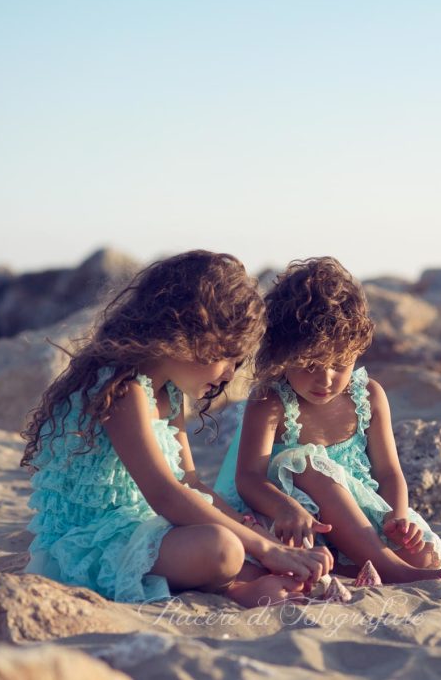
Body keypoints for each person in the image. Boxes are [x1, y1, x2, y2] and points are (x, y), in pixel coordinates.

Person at [21, 250, 333, 607]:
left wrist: (265, 541)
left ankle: (246, 585)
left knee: (248, 543)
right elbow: (166, 494)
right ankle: (236, 588)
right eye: (226, 357)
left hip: (147, 528)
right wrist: (262, 548)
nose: (231, 374)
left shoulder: (167, 390)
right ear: (186, 334)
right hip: (91, 544)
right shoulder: (122, 390)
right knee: (224, 548)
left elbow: (191, 483)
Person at [214, 257, 441, 583]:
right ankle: (386, 568)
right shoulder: (271, 403)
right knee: (306, 463)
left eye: (339, 364)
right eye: (311, 365)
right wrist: (286, 509)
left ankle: (367, 562)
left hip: (357, 518)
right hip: (293, 516)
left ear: (357, 351)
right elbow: (248, 478)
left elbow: (389, 473)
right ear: (283, 355)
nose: (326, 379)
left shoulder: (368, 397)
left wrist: (396, 518)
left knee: (425, 555)